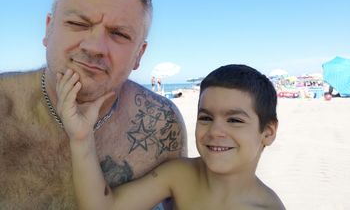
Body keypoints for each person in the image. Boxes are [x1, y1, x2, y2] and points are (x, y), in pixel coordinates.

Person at [0, 0, 187, 210]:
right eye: (78, 23)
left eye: (119, 34)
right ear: (48, 29)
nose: (94, 46)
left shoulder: (161, 124)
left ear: (138, 55)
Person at [58, 64, 286, 210]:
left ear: (268, 132)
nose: (215, 131)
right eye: (205, 118)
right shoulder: (180, 174)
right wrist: (81, 139)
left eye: (234, 120)